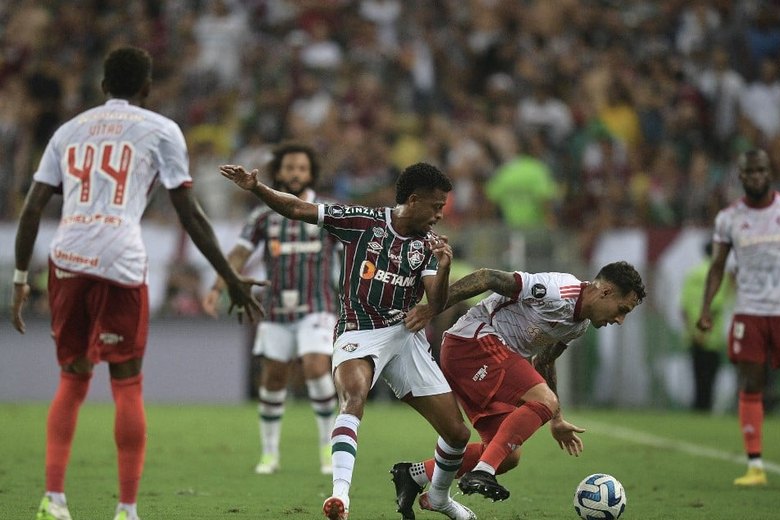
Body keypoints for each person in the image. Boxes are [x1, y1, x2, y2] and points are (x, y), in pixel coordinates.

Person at [10, 47, 263, 520]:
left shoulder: (69, 131)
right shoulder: (162, 130)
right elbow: (189, 213)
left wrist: (22, 278)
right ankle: (126, 509)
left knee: (72, 378)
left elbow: (31, 209)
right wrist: (229, 277)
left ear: (103, 86)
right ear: (147, 89)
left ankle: (53, 499)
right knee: (127, 384)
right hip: (120, 259)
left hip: (66, 258)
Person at [219, 162, 476, 520]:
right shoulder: (363, 222)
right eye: (435, 206)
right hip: (359, 329)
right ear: (413, 200)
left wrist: (444, 267)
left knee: (457, 433)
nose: (439, 214)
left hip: (404, 336)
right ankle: (340, 495)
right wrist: (256, 188)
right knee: (354, 397)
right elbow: (297, 208)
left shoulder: (425, 246)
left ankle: (439, 498)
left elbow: (435, 300)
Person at [391, 262, 646, 517]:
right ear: (606, 292)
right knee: (542, 402)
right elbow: (487, 276)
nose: (620, 320)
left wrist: (556, 419)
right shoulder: (555, 290)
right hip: (471, 342)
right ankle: (482, 472)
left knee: (507, 455)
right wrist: (432, 309)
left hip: (479, 358)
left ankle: (415, 474)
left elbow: (544, 361)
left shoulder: (578, 326)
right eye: (622, 310)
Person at [202, 142, 339, 476]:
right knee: (274, 377)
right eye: (289, 168)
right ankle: (269, 453)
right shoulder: (263, 216)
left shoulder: (327, 211)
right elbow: (238, 254)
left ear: (311, 174)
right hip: (275, 309)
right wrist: (218, 286)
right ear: (278, 172)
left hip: (318, 306)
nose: (295, 174)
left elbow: (354, 249)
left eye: (302, 169)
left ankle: (328, 447)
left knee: (316, 367)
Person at [697, 148, 780, 486]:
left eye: (761, 171)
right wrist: (706, 309)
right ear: (741, 176)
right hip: (750, 311)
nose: (756, 177)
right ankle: (755, 465)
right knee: (750, 383)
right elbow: (717, 267)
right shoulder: (729, 218)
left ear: (770, 173)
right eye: (749, 172)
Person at [680, 241, 733, 411]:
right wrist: (705, 332)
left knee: (697, 377)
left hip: (693, 337)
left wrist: (693, 332)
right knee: (710, 377)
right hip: (712, 336)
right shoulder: (719, 274)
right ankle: (706, 409)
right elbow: (715, 306)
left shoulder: (692, 273)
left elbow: (684, 308)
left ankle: (697, 408)